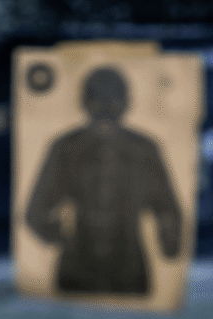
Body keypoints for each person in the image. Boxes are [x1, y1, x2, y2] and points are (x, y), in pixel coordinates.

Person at [26, 66, 182, 295]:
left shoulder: (143, 149)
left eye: (112, 99)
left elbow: (168, 211)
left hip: (122, 267)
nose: (106, 108)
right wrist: (57, 235)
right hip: (84, 266)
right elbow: (36, 212)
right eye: (99, 100)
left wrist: (170, 243)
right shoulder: (66, 148)